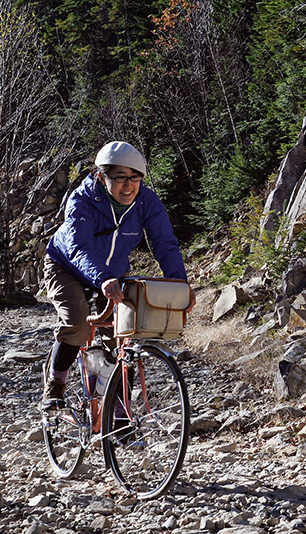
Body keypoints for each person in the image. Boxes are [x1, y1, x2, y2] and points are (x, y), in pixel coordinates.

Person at [41, 141, 195, 409]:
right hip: (66, 265)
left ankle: (120, 409)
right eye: (120, 177)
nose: (129, 185)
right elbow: (79, 247)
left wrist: (179, 285)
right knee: (77, 324)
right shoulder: (83, 199)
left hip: (113, 273)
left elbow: (165, 243)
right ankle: (55, 386)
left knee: (123, 339)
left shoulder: (146, 200)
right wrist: (102, 278)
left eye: (135, 178)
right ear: (102, 176)